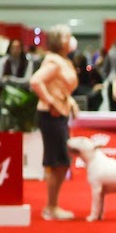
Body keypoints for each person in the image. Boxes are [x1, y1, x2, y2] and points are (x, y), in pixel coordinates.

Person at [29, 25, 79, 221]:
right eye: (67, 37)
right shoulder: (54, 62)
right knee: (56, 161)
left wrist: (69, 102)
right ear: (59, 41)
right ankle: (50, 207)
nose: (71, 40)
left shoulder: (63, 60)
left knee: (62, 162)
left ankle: (53, 204)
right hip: (51, 116)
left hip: (60, 114)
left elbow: (61, 87)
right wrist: (51, 103)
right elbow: (36, 81)